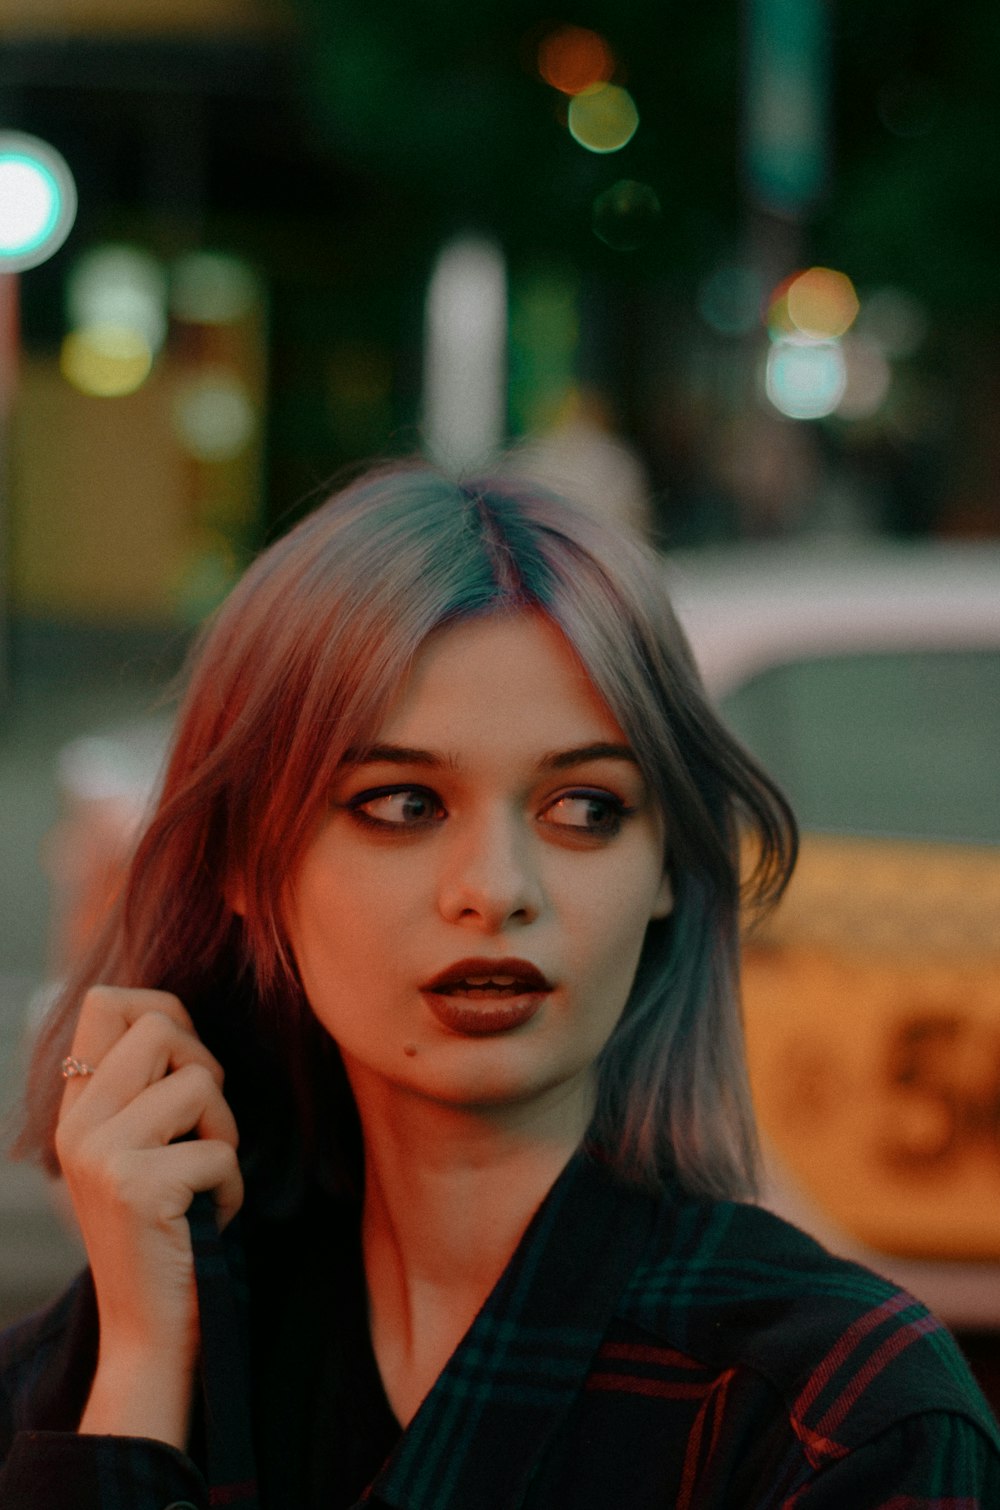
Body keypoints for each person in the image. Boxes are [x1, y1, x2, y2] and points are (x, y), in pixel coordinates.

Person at [1, 462, 997, 1510]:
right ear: (248, 860)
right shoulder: (78, 1382)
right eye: (400, 803)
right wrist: (143, 1370)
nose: (497, 890)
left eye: (583, 806)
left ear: (667, 864)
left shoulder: (833, 1415)